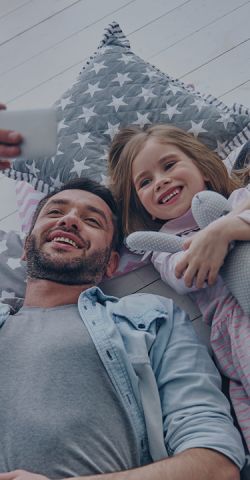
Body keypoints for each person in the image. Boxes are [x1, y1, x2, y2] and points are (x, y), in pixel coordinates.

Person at [0, 177, 245, 480]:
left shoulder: (153, 319)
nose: (70, 219)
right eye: (54, 212)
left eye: (92, 220)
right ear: (26, 248)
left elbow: (217, 464)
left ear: (111, 265)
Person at [108, 124, 250, 453]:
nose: (161, 181)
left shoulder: (241, 198)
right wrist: (206, 241)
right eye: (145, 182)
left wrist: (223, 229)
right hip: (238, 324)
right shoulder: (163, 248)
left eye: (169, 165)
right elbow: (186, 276)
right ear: (141, 204)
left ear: (200, 164)